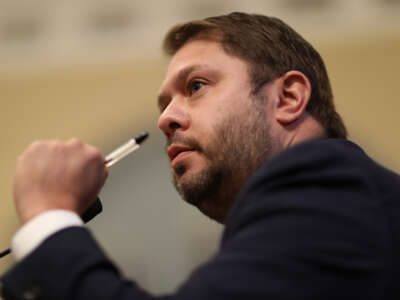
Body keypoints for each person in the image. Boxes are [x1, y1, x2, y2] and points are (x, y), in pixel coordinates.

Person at [1, 11, 400, 300]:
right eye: (163, 104)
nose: (166, 119)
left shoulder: (322, 181)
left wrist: (48, 216)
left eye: (195, 86)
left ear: (289, 97)